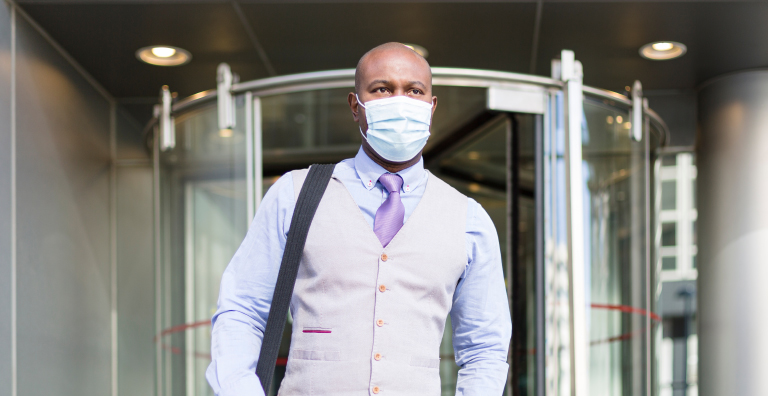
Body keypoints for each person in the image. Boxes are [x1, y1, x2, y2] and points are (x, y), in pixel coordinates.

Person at [206, 42, 511, 396]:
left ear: (431, 107)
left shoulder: (468, 219)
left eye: (414, 91)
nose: (400, 101)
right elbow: (242, 310)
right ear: (356, 106)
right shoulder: (295, 194)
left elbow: (485, 348)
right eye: (382, 89)